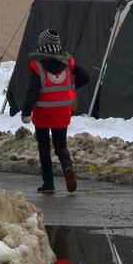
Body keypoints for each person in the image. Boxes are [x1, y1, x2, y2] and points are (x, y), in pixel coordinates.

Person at [21, 29, 90, 194]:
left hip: (43, 112)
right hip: (62, 111)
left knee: (44, 147)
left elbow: (33, 90)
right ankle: (67, 168)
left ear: (42, 45)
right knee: (60, 144)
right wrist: (70, 88)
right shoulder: (68, 62)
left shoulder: (37, 65)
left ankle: (48, 183)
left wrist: (26, 110)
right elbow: (85, 77)